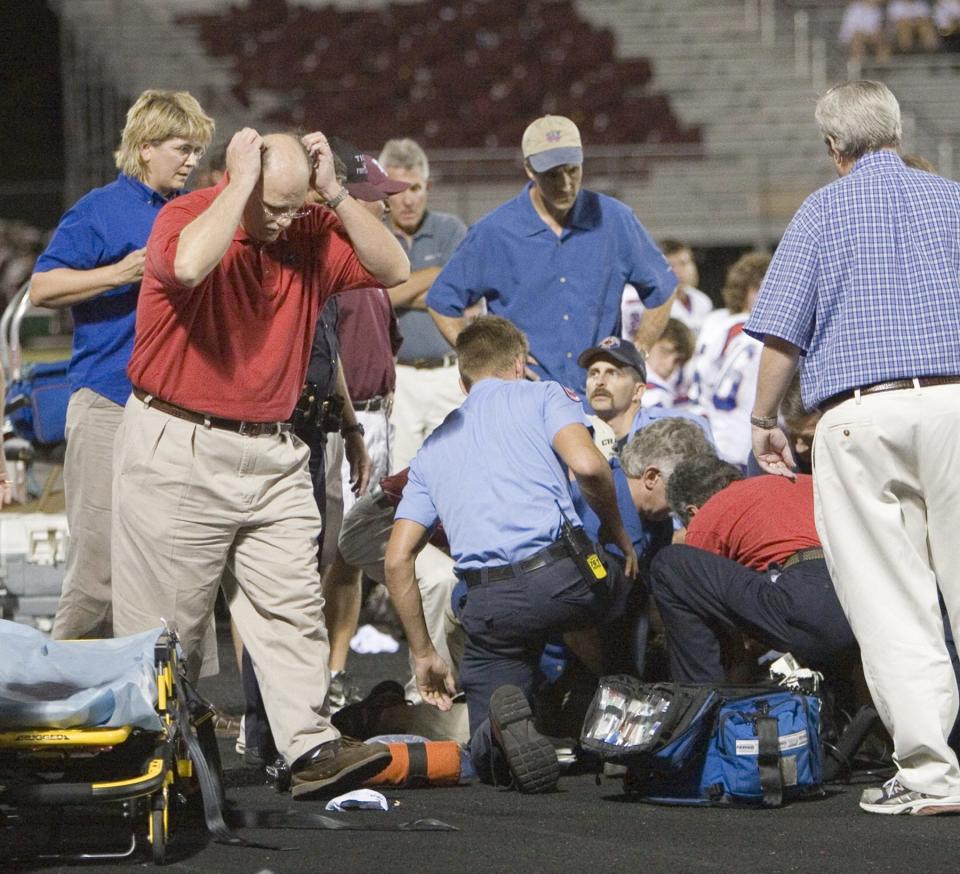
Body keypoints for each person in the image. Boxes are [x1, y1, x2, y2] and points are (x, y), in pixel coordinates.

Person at [110, 127, 409, 799]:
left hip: (272, 447)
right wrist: (242, 184)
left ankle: (308, 745)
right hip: (181, 439)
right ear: (240, 177)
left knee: (293, 606)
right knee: (170, 629)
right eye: (273, 206)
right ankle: (155, 758)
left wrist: (332, 192)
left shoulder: (307, 226)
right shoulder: (189, 215)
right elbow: (187, 267)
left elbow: (391, 269)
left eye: (293, 204)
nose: (282, 221)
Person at [747, 80, 960, 814]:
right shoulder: (953, 199)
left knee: (893, 604)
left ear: (833, 147)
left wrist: (761, 417)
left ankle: (934, 778)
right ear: (896, 132)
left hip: (860, 415)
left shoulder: (821, 209)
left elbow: (783, 334)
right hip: (957, 400)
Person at [384, 316, 638, 793]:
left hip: (491, 603)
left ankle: (501, 735)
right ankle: (626, 715)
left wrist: (424, 653)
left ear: (462, 382)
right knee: (624, 593)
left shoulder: (432, 447)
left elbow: (396, 559)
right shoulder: (543, 396)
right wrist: (617, 531)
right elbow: (587, 465)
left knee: (488, 755)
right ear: (520, 365)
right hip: (564, 578)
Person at [30, 89, 214, 640]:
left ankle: (183, 698)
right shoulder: (99, 209)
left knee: (178, 561)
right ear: (145, 147)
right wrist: (118, 274)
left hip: (177, 411)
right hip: (109, 402)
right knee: (98, 562)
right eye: (182, 149)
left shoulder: (193, 210)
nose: (191, 161)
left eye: (197, 151)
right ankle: (63, 689)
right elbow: (42, 287)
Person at [426, 115, 678, 395]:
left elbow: (663, 289)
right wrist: (487, 364)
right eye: (553, 174)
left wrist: (636, 351)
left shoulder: (616, 220)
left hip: (597, 399)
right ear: (529, 170)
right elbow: (441, 302)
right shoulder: (494, 233)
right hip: (524, 398)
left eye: (573, 170)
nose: (566, 184)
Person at [650, 455, 858, 685]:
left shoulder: (708, 515)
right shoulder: (804, 482)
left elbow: (711, 614)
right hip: (865, 596)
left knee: (669, 565)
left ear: (692, 511)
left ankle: (701, 700)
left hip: (812, 601)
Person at [378, 138, 468, 470]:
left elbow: (462, 296)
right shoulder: (373, 231)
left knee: (457, 473)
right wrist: (436, 273)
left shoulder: (450, 228)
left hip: (449, 374)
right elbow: (377, 297)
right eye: (398, 189)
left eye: (415, 188)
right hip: (398, 379)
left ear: (428, 186)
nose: (407, 199)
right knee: (399, 478)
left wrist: (395, 290)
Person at [687, 251, 770, 468]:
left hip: (709, 431)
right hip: (743, 436)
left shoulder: (714, 323)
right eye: (759, 289)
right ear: (743, 290)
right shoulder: (761, 335)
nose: (768, 295)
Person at [580, 335, 713, 452]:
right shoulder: (576, 434)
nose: (599, 382)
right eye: (593, 373)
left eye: (613, 373)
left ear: (638, 391)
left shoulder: (677, 432)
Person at [622, 239, 713, 341]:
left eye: (683, 263)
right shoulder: (636, 298)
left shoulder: (702, 301)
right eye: (670, 266)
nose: (678, 271)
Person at [640, 317, 696, 409]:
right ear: (648, 344)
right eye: (664, 352)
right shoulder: (654, 395)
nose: (669, 365)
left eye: (678, 360)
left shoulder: (680, 383)